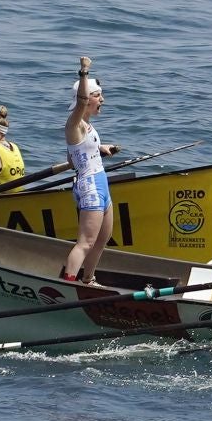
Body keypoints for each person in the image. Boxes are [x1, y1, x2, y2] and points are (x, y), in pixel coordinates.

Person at [60, 57, 121, 284]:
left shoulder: (87, 126)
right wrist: (84, 71)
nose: (102, 100)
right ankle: (67, 284)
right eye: (98, 95)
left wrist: (101, 149)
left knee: (102, 239)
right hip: (90, 187)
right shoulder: (74, 124)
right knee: (85, 243)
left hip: (101, 183)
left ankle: (88, 280)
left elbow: (72, 158)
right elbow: (81, 100)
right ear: (87, 100)